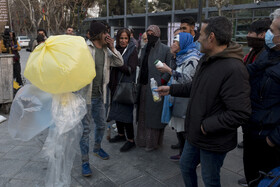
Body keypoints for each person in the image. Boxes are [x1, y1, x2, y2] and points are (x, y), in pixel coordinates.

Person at [156, 16, 251, 187]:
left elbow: (240, 112)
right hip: (195, 134)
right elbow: (196, 87)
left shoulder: (234, 69)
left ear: (211, 37)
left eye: (201, 34)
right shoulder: (206, 59)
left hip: (212, 140)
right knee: (185, 167)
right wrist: (172, 89)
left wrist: (207, 126)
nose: (197, 37)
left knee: (210, 179)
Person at [79, 21, 124, 177]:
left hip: (100, 96)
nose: (108, 35)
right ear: (99, 34)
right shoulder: (85, 48)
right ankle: (85, 162)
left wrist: (112, 48)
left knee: (101, 126)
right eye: (105, 32)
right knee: (85, 131)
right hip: (85, 97)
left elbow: (120, 62)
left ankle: (97, 148)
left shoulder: (106, 51)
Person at [241, 8, 280, 186]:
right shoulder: (268, 53)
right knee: (252, 178)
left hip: (268, 138)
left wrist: (273, 139)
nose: (268, 34)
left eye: (272, 31)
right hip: (252, 129)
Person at [157, 32, 202, 161]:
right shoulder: (180, 56)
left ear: (183, 44)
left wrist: (168, 70)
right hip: (177, 97)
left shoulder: (192, 59)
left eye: (176, 42)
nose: (173, 44)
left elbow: (187, 79)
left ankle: (190, 157)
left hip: (185, 101)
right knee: (179, 128)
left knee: (185, 130)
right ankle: (183, 154)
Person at [136, 25, 172, 152]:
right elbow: (140, 64)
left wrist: (162, 81)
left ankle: (153, 143)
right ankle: (142, 140)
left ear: (158, 34)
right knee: (142, 114)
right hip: (144, 86)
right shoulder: (145, 47)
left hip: (157, 88)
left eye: (152, 33)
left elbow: (170, 68)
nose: (150, 35)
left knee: (154, 116)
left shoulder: (165, 49)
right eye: (148, 33)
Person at [107, 28, 138, 152]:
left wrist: (118, 63)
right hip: (115, 86)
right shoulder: (114, 49)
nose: (123, 41)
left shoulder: (132, 51)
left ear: (129, 39)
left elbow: (131, 69)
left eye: (126, 38)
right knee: (116, 112)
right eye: (121, 38)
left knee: (126, 114)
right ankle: (121, 135)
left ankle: (130, 140)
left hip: (125, 87)